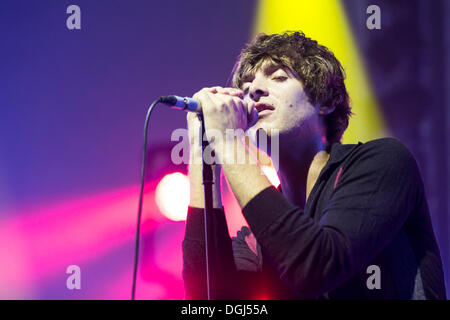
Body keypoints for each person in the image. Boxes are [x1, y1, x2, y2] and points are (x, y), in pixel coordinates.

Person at [182, 31, 446, 299]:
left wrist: (228, 141)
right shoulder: (260, 235)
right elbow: (208, 299)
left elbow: (317, 265)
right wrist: (201, 154)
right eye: (247, 85)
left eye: (279, 77)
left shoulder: (384, 162)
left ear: (327, 102)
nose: (254, 90)